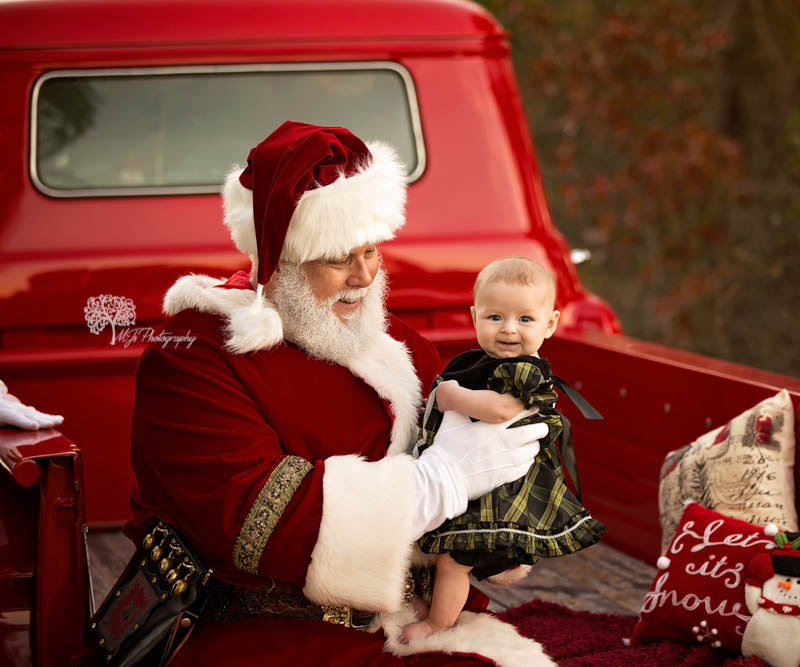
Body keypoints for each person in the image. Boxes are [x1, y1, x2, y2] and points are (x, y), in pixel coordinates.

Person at [125, 121, 556, 665]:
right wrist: (438, 481)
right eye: (337, 258)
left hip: (416, 618)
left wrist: (503, 522)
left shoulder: (398, 345)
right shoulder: (192, 359)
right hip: (267, 634)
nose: (365, 275)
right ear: (279, 257)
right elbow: (262, 525)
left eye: (372, 250)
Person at [401, 257, 605, 642]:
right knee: (437, 549)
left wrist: (452, 395)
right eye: (495, 317)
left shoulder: (524, 369)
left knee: (453, 560)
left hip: (499, 489)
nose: (509, 329)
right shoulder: (478, 363)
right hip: (468, 476)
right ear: (475, 316)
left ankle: (437, 625)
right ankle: (422, 604)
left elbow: (500, 410)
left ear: (550, 324)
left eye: (525, 319)